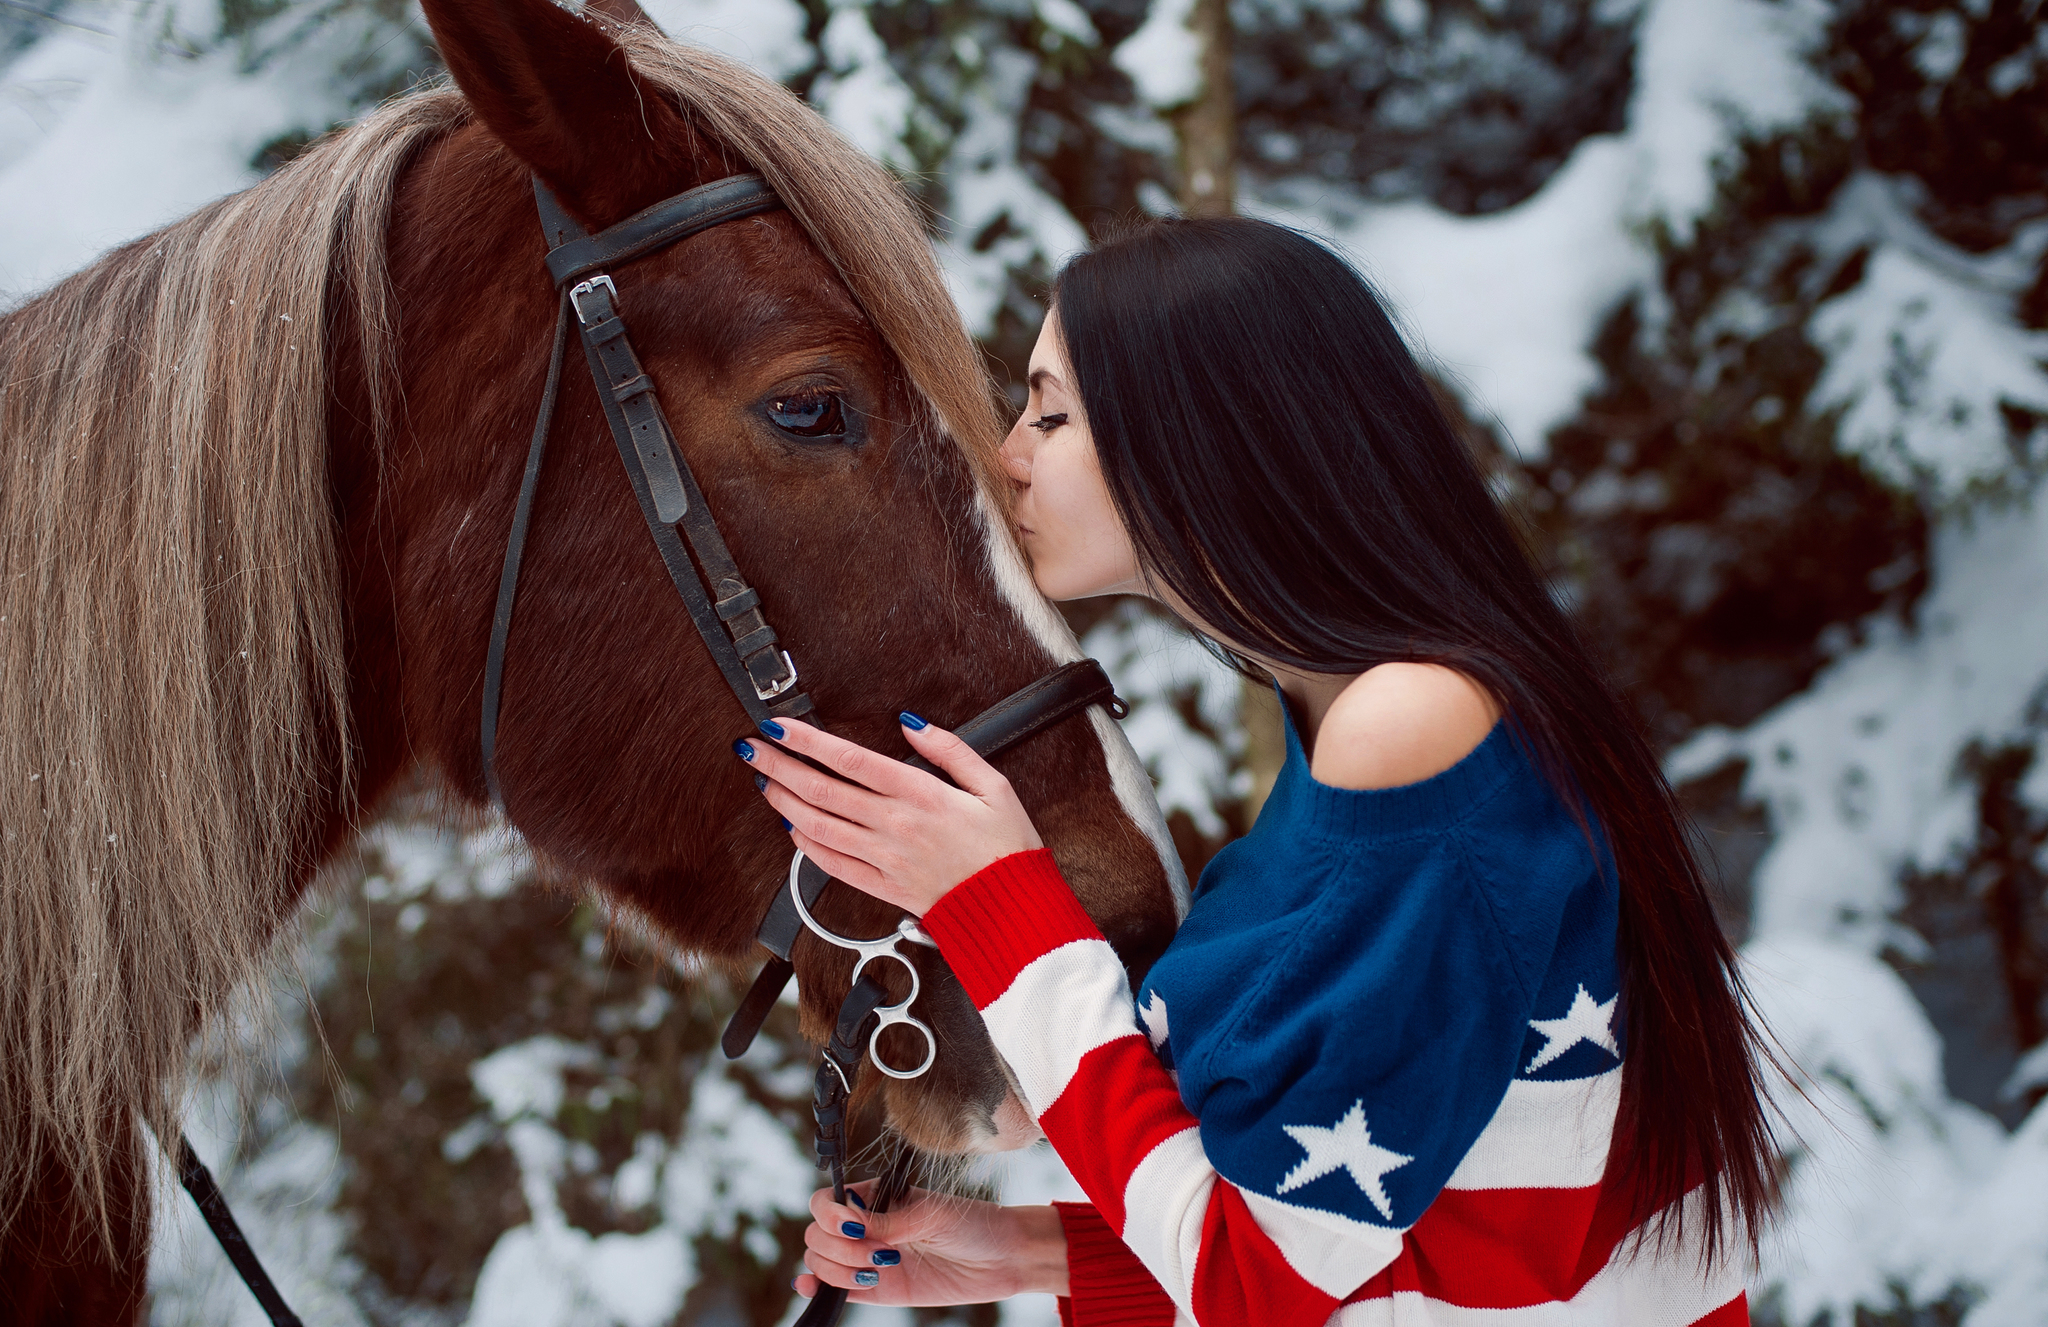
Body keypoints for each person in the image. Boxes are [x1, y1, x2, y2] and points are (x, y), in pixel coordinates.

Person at [732, 216, 1774, 1325]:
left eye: (1051, 410)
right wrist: (1040, 1254)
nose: (1010, 454)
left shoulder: (1407, 725)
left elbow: (1258, 1291)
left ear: (1198, 432)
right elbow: (1396, 1229)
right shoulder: (1361, 723)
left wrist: (994, 900)